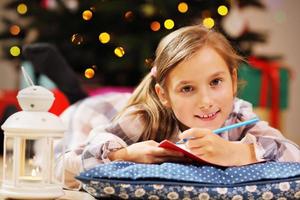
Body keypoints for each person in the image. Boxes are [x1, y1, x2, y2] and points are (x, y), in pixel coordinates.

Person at [55, 24, 300, 189]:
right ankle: (71, 90)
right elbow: (63, 170)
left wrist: (235, 152)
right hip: (93, 111)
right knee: (77, 112)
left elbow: (293, 156)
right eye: (187, 88)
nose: (206, 101)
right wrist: (124, 155)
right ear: (164, 95)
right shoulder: (143, 119)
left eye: (216, 82)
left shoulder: (238, 114)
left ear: (233, 81)